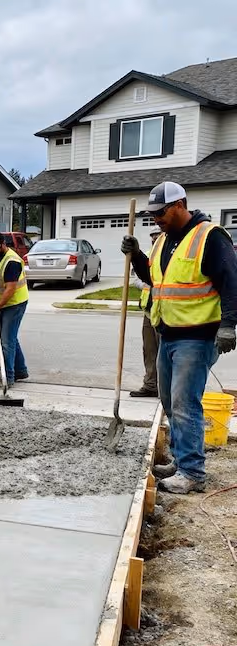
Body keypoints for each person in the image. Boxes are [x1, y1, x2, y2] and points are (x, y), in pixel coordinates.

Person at [121, 181, 237, 494]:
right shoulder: (164, 240)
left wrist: (229, 325)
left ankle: (192, 473)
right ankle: (181, 459)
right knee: (170, 402)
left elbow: (231, 281)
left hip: (197, 336)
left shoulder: (209, 236)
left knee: (185, 404)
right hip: (168, 332)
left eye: (161, 212)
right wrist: (136, 255)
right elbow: (153, 278)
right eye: (152, 214)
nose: (156, 218)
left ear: (180, 205)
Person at [0, 233, 29, 388]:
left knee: (6, 342)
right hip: (5, 304)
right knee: (11, 338)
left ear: (3, 244)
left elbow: (10, 289)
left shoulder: (12, 261)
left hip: (14, 304)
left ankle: (7, 378)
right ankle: (20, 371)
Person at [129, 227, 162, 398]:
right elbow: (135, 279)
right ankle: (150, 385)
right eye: (152, 236)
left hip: (165, 312)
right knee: (149, 351)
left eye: (158, 235)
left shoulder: (169, 254)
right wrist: (147, 283)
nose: (155, 238)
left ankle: (165, 389)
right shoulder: (147, 255)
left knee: (165, 353)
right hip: (149, 311)